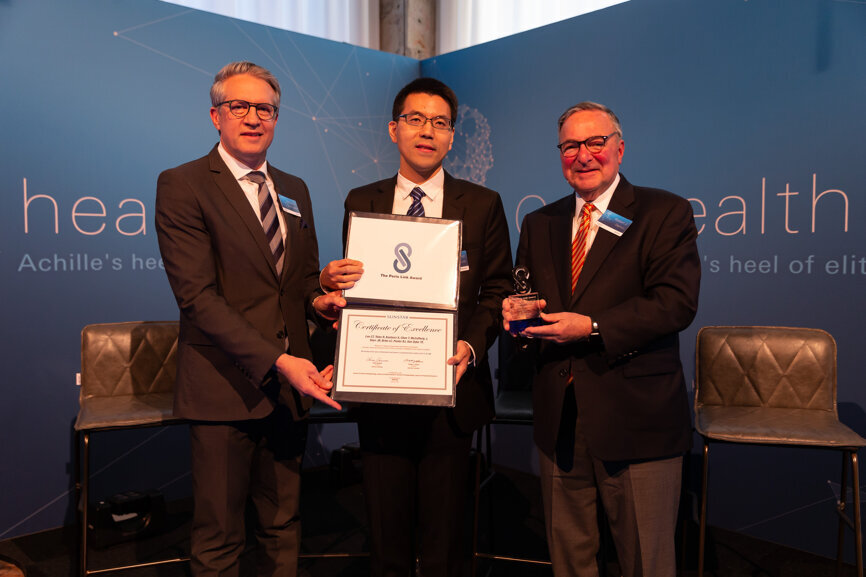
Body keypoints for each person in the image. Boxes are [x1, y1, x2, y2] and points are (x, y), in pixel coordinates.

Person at [154, 61, 343, 577]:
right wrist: (279, 360)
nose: (254, 118)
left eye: (266, 108)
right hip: (224, 388)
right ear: (216, 115)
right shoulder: (183, 184)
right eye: (240, 107)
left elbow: (300, 285)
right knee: (219, 538)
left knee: (283, 526)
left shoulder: (295, 188)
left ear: (277, 118)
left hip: (289, 390)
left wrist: (320, 300)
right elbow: (197, 298)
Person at [320, 77, 512, 577]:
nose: (427, 131)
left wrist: (471, 344)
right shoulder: (362, 200)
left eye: (440, 122)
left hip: (451, 388)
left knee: (446, 541)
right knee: (386, 538)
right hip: (379, 389)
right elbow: (358, 291)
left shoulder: (484, 204)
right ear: (393, 129)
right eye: (415, 119)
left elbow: (496, 290)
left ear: (452, 138)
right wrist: (335, 291)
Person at [503, 102, 700, 577]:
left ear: (619, 148)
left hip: (636, 417)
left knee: (645, 562)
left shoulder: (664, 211)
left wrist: (591, 327)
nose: (584, 155)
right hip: (559, 419)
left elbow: (675, 303)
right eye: (571, 145)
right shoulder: (539, 222)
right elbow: (529, 301)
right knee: (569, 561)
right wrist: (515, 315)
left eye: (595, 143)